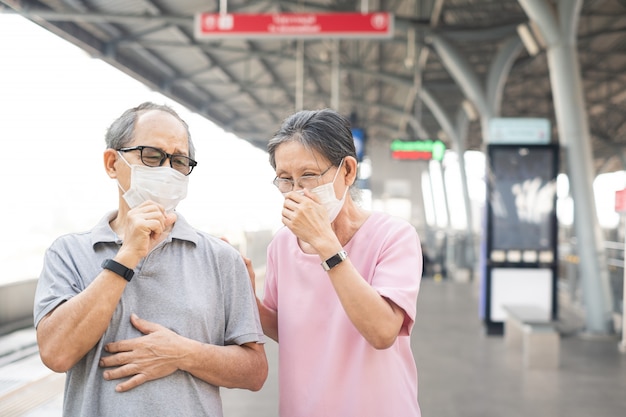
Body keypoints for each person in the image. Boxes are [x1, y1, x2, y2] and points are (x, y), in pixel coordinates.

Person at [33, 102, 268, 416]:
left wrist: (182, 354)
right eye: (152, 156)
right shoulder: (69, 253)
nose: (168, 170)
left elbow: (255, 372)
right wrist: (126, 256)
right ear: (112, 163)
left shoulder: (222, 258)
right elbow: (56, 354)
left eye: (180, 160)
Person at [250, 108, 423, 416]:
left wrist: (325, 244)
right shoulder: (281, 245)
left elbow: (383, 332)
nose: (297, 191)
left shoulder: (394, 237)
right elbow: (286, 328)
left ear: (347, 171)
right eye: (285, 180)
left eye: (308, 176)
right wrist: (249, 299)